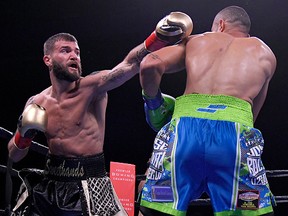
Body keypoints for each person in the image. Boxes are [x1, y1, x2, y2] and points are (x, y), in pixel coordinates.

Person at [7, 12, 193, 216]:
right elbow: (14, 155)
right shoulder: (36, 102)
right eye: (65, 51)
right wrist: (25, 134)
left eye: (77, 52)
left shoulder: (94, 87)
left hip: (92, 183)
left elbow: (130, 64)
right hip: (51, 183)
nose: (74, 56)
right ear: (48, 60)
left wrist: (158, 38)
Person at [139, 6, 276, 216]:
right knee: (249, 208)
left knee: (158, 206)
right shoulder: (266, 54)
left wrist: (154, 104)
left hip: (182, 139)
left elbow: (149, 64)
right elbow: (250, 116)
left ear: (220, 25)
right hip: (234, 141)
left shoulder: (198, 40)